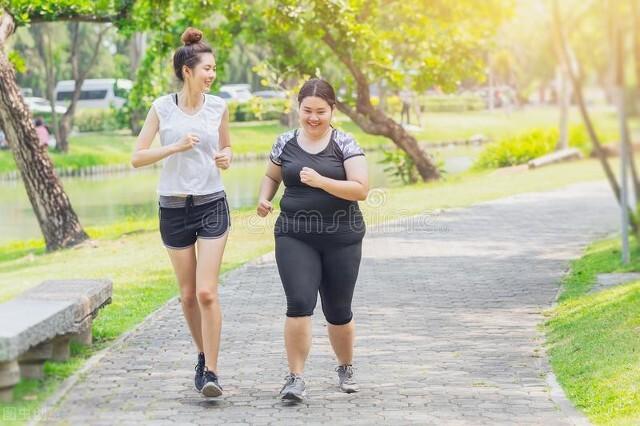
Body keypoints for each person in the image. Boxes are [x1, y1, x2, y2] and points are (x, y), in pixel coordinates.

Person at [131, 27, 232, 398]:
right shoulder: (161, 108)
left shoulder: (219, 106)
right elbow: (137, 157)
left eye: (215, 69)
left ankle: (213, 374)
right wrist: (173, 147)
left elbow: (226, 148)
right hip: (173, 207)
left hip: (211, 204)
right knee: (187, 296)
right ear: (187, 70)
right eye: (207, 68)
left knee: (206, 292)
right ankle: (203, 356)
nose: (212, 74)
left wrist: (226, 156)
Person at [256, 78, 369, 402]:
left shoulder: (345, 143)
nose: (314, 118)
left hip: (342, 237)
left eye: (321, 111)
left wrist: (321, 181)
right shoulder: (284, 142)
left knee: (338, 310)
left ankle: (345, 367)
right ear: (299, 109)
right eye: (307, 110)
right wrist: (265, 199)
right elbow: (271, 176)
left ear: (332, 110)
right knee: (299, 303)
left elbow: (360, 188)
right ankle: (295, 378)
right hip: (294, 235)